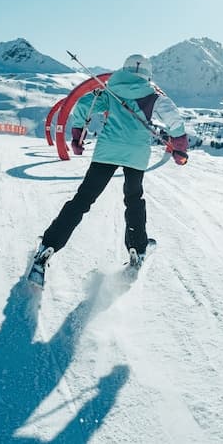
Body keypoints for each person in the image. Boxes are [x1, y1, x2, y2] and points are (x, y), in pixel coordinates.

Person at [29, 54, 188, 284]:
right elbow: (174, 119)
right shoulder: (154, 96)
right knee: (133, 199)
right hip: (136, 154)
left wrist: (77, 133)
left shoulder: (110, 90)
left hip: (107, 151)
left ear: (124, 70)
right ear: (147, 74)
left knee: (82, 200)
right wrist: (180, 147)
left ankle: (48, 246)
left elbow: (84, 105)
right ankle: (137, 249)